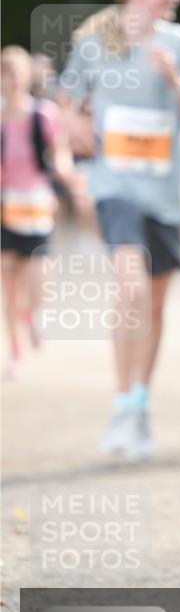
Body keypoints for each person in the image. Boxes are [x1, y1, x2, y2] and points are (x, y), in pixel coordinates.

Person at [62, 0, 180, 461]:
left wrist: (176, 82)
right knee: (128, 287)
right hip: (115, 185)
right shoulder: (94, 42)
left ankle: (140, 402)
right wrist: (76, 124)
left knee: (152, 303)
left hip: (166, 194)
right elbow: (66, 100)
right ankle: (122, 401)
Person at [1, 46, 72, 375]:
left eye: (16, 70)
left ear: (27, 75)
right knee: (8, 279)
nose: (11, 78)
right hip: (6, 206)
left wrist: (66, 172)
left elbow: (60, 153)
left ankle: (31, 315)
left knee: (38, 283)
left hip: (37, 205)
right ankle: (15, 351)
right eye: (5, 71)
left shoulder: (43, 115)